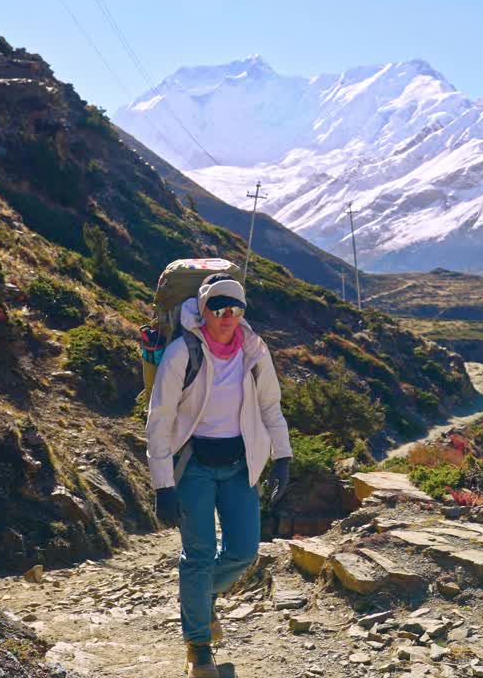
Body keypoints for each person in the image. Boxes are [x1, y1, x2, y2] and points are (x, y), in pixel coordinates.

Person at [144, 274, 292, 678]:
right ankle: (199, 651)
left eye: (236, 309)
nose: (227, 316)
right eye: (219, 308)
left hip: (240, 465)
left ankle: (200, 596)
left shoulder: (254, 350)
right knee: (199, 555)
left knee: (244, 551)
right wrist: (163, 485)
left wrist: (283, 457)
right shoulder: (181, 352)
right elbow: (159, 421)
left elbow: (270, 407)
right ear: (204, 309)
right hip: (193, 467)